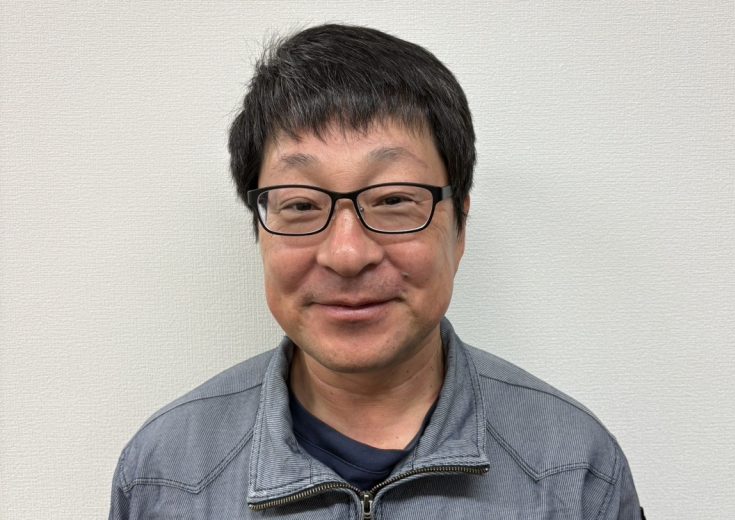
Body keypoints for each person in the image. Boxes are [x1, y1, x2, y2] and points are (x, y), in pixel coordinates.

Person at [109, 24, 644, 519]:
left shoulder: (573, 469)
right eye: (301, 205)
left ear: (459, 227)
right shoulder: (166, 475)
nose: (346, 254)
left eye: (393, 200)